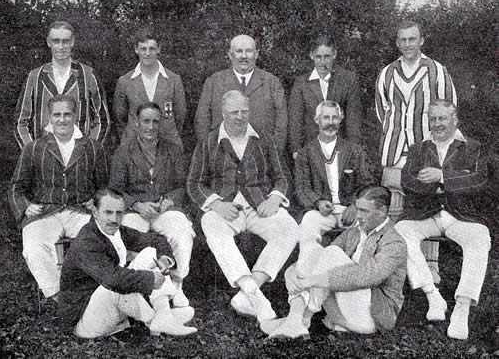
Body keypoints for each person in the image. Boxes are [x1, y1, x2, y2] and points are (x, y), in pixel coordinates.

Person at [187, 90, 298, 325]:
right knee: (211, 224)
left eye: (244, 111)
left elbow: (282, 177)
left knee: (289, 227)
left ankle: (248, 293)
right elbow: (194, 183)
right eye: (234, 112)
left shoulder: (264, 139)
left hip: (260, 207)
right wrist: (216, 204)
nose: (239, 117)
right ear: (223, 113)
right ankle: (251, 291)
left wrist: (274, 199)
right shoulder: (208, 142)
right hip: (227, 209)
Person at [395, 100, 491, 340]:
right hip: (427, 214)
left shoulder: (473, 147)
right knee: (400, 230)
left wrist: (442, 177)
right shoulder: (419, 148)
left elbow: (480, 181)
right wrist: (442, 186)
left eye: (442, 118)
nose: (437, 124)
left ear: (455, 120)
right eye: (433, 118)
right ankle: (432, 295)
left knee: (480, 237)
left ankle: (462, 307)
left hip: (460, 216)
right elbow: (407, 181)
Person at [262, 186, 407, 339]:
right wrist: (291, 272)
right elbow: (320, 259)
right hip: (345, 306)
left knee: (332, 253)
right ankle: (296, 318)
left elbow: (368, 276)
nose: (358, 216)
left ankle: (301, 318)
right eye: (357, 209)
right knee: (315, 251)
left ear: (382, 211)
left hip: (372, 317)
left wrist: (312, 280)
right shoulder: (354, 232)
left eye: (364, 211)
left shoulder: (394, 241)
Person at [375, 20, 457, 282]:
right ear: (397, 43)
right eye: (403, 40)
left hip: (426, 151)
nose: (408, 44)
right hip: (394, 150)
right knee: (393, 207)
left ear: (422, 40)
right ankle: (394, 267)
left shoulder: (438, 71)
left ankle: (430, 268)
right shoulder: (387, 73)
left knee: (427, 204)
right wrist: (397, 133)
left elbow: (448, 111)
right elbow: (383, 111)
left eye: (413, 39)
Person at [8, 94, 109, 300]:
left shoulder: (92, 147)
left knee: (102, 240)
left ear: (75, 116)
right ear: (49, 117)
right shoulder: (34, 147)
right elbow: (15, 187)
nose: (62, 119)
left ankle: (99, 294)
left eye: (67, 114)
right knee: (34, 247)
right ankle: (59, 296)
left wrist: (97, 200)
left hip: (80, 210)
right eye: (57, 115)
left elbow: (104, 186)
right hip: (46, 212)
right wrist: (26, 206)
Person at [59, 188, 197, 338]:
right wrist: (150, 279)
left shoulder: (117, 230)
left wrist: (164, 258)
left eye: (119, 213)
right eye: (108, 212)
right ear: (95, 211)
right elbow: (112, 279)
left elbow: (156, 241)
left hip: (108, 306)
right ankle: (154, 319)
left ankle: (164, 314)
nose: (114, 219)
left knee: (150, 253)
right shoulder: (87, 241)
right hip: (85, 321)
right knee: (113, 286)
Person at [109, 102, 195, 308]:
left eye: (155, 121)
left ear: (161, 124)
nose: (150, 126)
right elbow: (115, 189)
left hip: (163, 209)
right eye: (146, 121)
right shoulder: (124, 151)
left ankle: (176, 283)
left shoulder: (172, 150)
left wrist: (169, 200)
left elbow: (183, 185)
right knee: (126, 237)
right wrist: (137, 204)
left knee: (181, 231)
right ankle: (138, 288)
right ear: (136, 123)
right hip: (134, 210)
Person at [293, 100, 375, 277]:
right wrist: (318, 201)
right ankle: (306, 279)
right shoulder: (306, 153)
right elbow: (301, 187)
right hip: (321, 211)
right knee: (308, 225)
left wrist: (356, 206)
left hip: (350, 210)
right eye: (326, 118)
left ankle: (356, 280)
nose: (330, 122)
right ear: (317, 120)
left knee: (367, 233)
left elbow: (367, 184)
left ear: (341, 119)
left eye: (334, 117)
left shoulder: (354, 150)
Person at [15, 20, 110, 149]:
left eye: (65, 41)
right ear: (48, 42)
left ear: (72, 42)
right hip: (44, 157)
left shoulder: (88, 75)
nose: (61, 46)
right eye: (56, 41)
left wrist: (89, 151)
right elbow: (20, 122)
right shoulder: (35, 76)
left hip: (79, 157)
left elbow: (103, 120)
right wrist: (32, 153)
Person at [194, 34, 288, 151]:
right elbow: (202, 120)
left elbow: (281, 123)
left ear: (256, 54)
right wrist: (210, 152)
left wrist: (274, 152)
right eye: (239, 51)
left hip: (262, 155)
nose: (244, 56)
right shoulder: (214, 82)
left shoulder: (271, 82)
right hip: (223, 155)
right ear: (230, 55)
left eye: (248, 51)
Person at [288, 34, 363, 159]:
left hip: (340, 150)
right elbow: (295, 119)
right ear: (311, 56)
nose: (323, 62)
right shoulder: (301, 83)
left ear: (334, 54)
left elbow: (353, 120)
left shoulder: (348, 80)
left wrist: (353, 151)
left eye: (327, 57)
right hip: (310, 151)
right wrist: (296, 150)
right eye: (318, 57)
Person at [113, 27, 186, 149]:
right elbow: (120, 117)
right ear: (136, 49)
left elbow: (180, 115)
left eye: (152, 48)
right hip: (134, 146)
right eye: (143, 49)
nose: (147, 53)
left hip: (168, 146)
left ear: (159, 49)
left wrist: (168, 133)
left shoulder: (173, 79)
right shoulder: (125, 81)